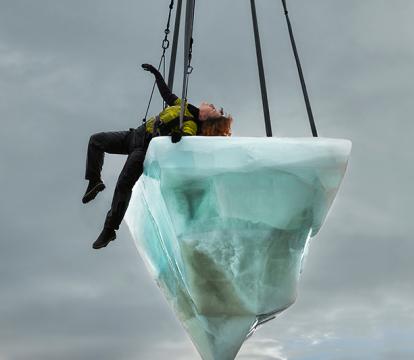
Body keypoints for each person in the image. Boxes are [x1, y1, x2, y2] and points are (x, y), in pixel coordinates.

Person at [82, 64, 233, 250]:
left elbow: (185, 137)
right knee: (96, 140)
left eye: (214, 109)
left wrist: (178, 136)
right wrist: (157, 75)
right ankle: (94, 181)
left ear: (206, 119)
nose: (211, 105)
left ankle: (110, 229)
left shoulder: (191, 124)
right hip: (134, 136)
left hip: (143, 148)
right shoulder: (184, 106)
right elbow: (167, 95)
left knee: (124, 184)